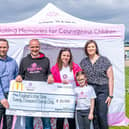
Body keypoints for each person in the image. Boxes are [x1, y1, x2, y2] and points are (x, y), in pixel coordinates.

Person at [16, 39, 53, 129]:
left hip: (43, 96)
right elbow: (20, 74)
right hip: (29, 96)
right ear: (29, 47)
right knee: (28, 121)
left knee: (46, 121)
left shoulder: (46, 60)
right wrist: (19, 77)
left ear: (39, 47)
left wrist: (50, 76)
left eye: (36, 47)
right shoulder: (24, 60)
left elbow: (48, 73)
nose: (35, 49)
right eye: (32, 47)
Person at [80, 40, 114, 129]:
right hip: (90, 90)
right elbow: (81, 76)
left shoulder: (104, 60)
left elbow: (111, 78)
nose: (91, 48)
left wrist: (110, 95)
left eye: (92, 46)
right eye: (89, 47)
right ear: (86, 49)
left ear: (96, 48)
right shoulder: (83, 62)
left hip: (102, 89)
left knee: (102, 114)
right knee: (94, 115)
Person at [51, 48, 82, 129]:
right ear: (60, 56)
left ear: (70, 57)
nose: (66, 57)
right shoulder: (55, 68)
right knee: (60, 120)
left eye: (68, 55)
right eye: (64, 55)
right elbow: (51, 83)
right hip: (59, 97)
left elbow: (82, 80)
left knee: (71, 119)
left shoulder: (75, 67)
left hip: (72, 97)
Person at [0, 39, 18, 129]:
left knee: (8, 123)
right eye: (0, 47)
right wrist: (2, 98)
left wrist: (19, 78)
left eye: (4, 47)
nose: (2, 49)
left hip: (10, 96)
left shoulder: (13, 62)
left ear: (8, 48)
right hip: (1, 96)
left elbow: (16, 77)